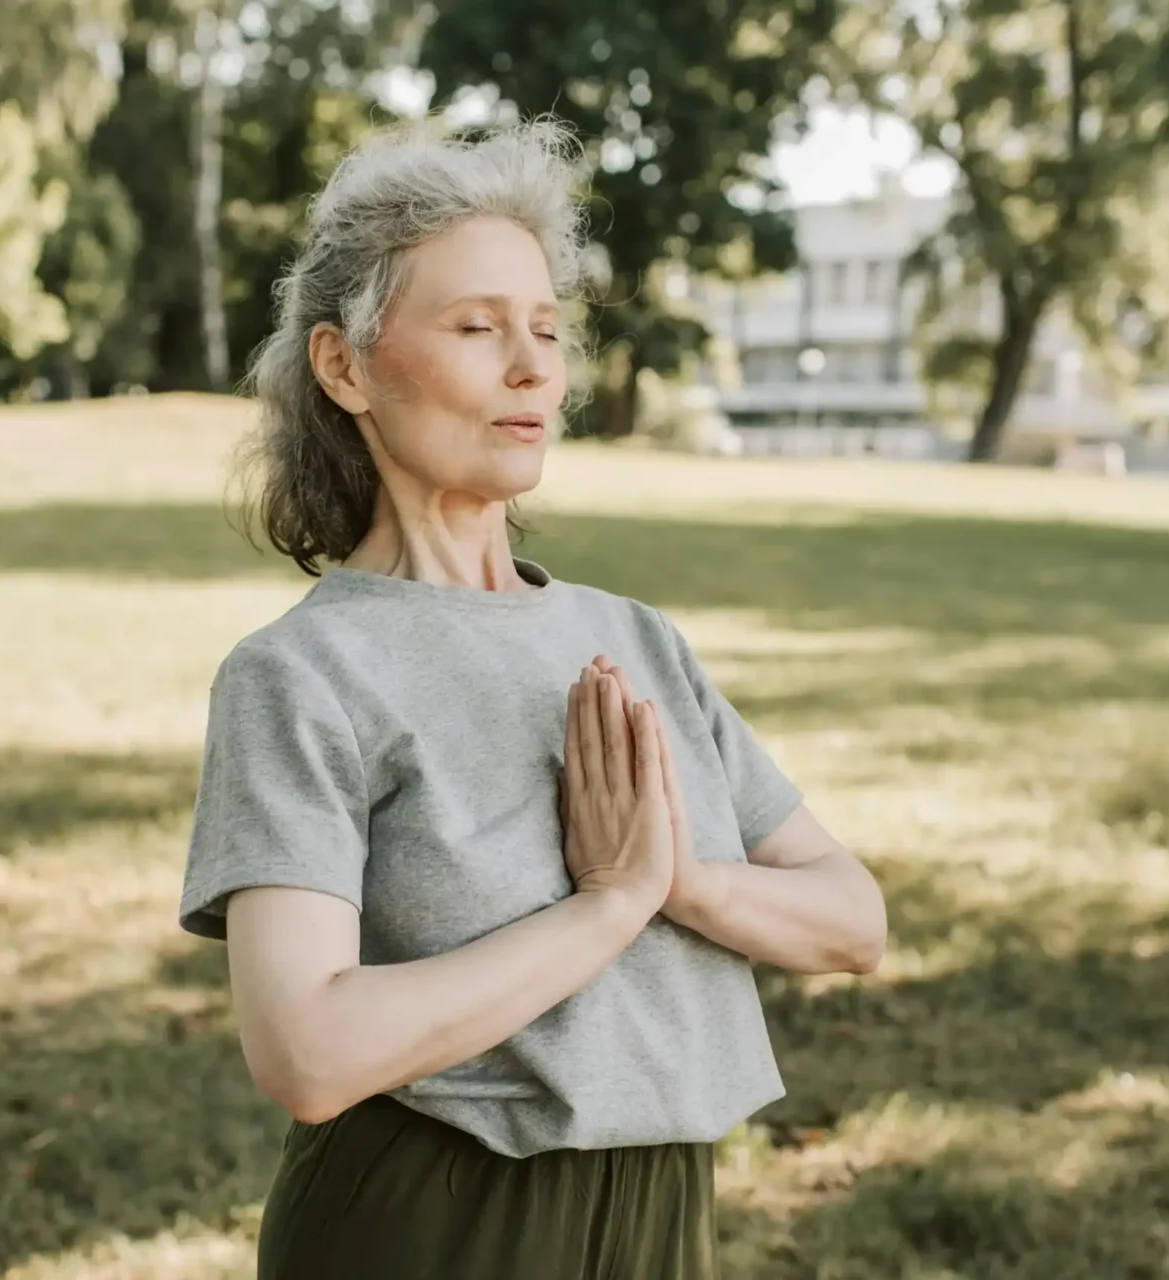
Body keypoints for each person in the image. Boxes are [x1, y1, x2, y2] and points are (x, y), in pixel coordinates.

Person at [177, 119, 889, 1280]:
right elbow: (305, 1049)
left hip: (663, 1214)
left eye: (547, 329)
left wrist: (683, 878)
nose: (533, 368)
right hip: (433, 1220)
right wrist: (606, 907)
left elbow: (850, 920)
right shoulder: (304, 676)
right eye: (476, 327)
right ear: (344, 365)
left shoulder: (635, 640)